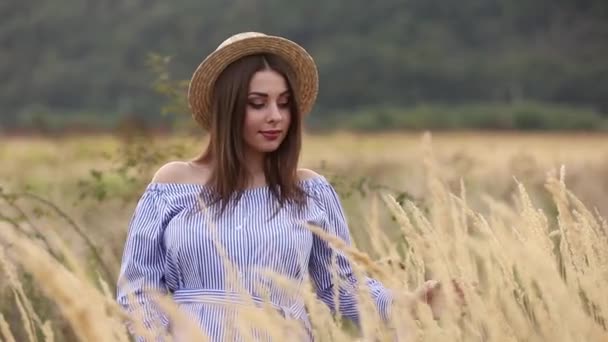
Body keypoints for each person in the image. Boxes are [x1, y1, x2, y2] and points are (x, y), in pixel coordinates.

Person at [116, 32, 445, 342]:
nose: (276, 116)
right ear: (228, 109)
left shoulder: (309, 191)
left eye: (284, 103)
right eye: (258, 103)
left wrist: (408, 303)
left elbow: (342, 287)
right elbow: (139, 290)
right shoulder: (173, 185)